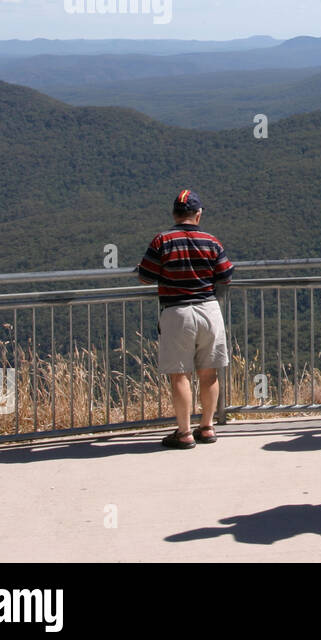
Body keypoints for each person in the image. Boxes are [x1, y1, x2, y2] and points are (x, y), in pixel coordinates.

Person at [136, 189, 235, 449]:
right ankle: (208, 427)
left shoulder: (162, 241)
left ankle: (183, 433)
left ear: (174, 214)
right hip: (209, 310)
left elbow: (145, 275)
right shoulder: (211, 241)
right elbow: (225, 276)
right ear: (198, 215)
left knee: (180, 374)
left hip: (177, 312)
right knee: (209, 372)